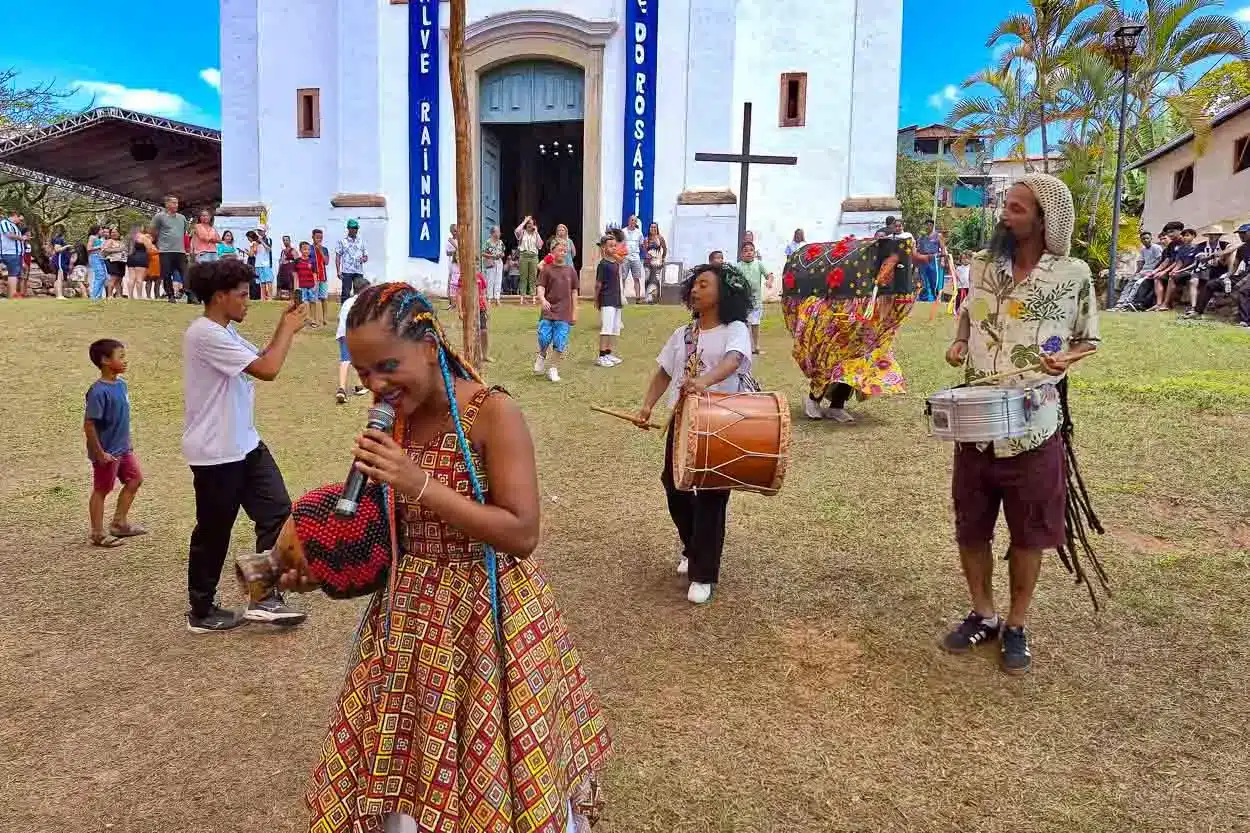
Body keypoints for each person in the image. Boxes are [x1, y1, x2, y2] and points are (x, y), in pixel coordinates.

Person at [282, 283, 611, 833]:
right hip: (410, 619)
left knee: (496, 764)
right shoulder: (394, 422)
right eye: (364, 375)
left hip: (492, 619)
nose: (377, 387)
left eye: (388, 366)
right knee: (410, 762)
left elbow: (522, 531)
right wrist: (325, 566)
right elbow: (392, 529)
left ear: (431, 347)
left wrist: (416, 482)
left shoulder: (493, 412)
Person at [941, 173, 1100, 676]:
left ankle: (1016, 624)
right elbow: (968, 313)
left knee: (1029, 534)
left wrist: (1067, 359)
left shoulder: (1072, 273)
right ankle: (983, 613)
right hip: (975, 424)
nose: (1004, 215)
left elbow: (1088, 338)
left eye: (1016, 208)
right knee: (971, 527)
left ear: (1043, 219)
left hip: (1033, 427)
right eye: (1005, 206)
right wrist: (960, 342)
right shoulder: (983, 265)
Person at [181, 258, 307, 633]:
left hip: (244, 443)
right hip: (217, 451)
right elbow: (268, 370)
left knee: (277, 511)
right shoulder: (205, 334)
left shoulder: (225, 332)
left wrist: (283, 332)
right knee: (214, 530)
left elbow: (261, 358)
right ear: (220, 297)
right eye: (241, 294)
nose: (247, 301)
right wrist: (287, 328)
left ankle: (264, 597)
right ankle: (201, 611)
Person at [636, 263, 753, 605]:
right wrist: (647, 408)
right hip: (683, 420)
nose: (696, 290)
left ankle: (703, 573)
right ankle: (693, 547)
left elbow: (733, 360)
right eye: (694, 285)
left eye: (704, 284)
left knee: (713, 497)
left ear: (723, 293)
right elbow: (663, 373)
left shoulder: (735, 329)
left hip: (723, 422)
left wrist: (704, 381)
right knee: (674, 486)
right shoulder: (683, 334)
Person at [84, 338, 146, 548]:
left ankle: (119, 523)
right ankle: (97, 533)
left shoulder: (121, 385)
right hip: (107, 452)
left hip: (123, 448)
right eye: (121, 357)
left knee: (135, 479)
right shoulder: (98, 391)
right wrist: (99, 453)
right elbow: (90, 425)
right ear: (105, 361)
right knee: (102, 489)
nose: (125, 361)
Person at [534, 241, 578, 383]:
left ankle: (553, 369)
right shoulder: (546, 269)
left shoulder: (570, 270)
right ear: (552, 252)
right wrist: (542, 300)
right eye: (560, 250)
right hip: (548, 310)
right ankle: (542, 355)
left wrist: (574, 312)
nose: (563, 253)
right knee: (544, 338)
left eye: (565, 251)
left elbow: (574, 292)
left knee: (560, 342)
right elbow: (541, 287)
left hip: (564, 312)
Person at [1195, 222, 1250, 323]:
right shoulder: (1243, 248)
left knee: (1244, 290)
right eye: (1239, 233)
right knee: (1211, 284)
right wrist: (1227, 277)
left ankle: (1245, 320)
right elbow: (1235, 265)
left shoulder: (1231, 245)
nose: (1240, 235)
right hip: (1244, 275)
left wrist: (1241, 281)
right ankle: (1197, 312)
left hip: (1247, 277)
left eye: (1243, 233)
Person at [1174, 225, 1229, 317]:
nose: (1212, 237)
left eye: (1215, 235)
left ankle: (1202, 304)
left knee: (1203, 278)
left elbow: (1233, 250)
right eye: (1210, 235)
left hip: (1219, 270)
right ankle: (1193, 306)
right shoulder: (1201, 245)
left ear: (1219, 236)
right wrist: (1210, 258)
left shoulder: (1225, 245)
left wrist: (1221, 257)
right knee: (1193, 280)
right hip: (1203, 269)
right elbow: (1200, 259)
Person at [334, 276, 371, 403]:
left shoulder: (347, 302)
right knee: (353, 360)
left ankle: (350, 387)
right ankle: (349, 387)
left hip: (343, 333)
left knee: (350, 359)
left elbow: (339, 318)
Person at [735, 240, 773, 354]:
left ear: (754, 252)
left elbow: (769, 275)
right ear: (741, 254)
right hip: (742, 301)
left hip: (756, 301)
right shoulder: (737, 266)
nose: (749, 253)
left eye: (751, 250)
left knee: (755, 324)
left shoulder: (759, 264)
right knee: (744, 325)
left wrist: (769, 282)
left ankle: (756, 346)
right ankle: (745, 347)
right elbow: (733, 280)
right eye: (745, 251)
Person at [595, 229, 626, 367]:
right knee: (606, 328)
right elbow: (598, 285)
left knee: (614, 328)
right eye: (610, 246)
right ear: (604, 248)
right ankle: (601, 356)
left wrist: (616, 253)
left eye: (615, 245)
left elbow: (622, 259)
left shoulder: (615, 263)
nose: (613, 248)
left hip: (616, 299)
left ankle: (608, 353)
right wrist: (597, 300)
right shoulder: (603, 264)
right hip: (607, 299)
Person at [1114, 230, 1166, 310]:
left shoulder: (1156, 248)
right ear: (1141, 240)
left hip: (1152, 272)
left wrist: (1152, 272)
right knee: (1130, 283)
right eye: (1143, 239)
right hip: (1144, 271)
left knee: (1137, 284)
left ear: (1151, 238)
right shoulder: (1143, 250)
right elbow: (1141, 262)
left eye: (1147, 238)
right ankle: (1121, 302)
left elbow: (1159, 261)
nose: (1145, 240)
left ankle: (1128, 303)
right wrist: (1136, 272)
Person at [151, 195, 188, 303]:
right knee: (167, 274)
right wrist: (159, 243)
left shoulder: (182, 218)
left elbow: (184, 232)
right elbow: (153, 231)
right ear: (167, 204)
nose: (176, 205)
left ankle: (190, 294)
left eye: (177, 203)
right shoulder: (159, 217)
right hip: (165, 250)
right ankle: (170, 295)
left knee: (185, 273)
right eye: (173, 203)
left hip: (180, 251)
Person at [334, 219, 368, 302]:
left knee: (360, 293)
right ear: (348, 228)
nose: (354, 230)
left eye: (356, 228)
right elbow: (338, 256)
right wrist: (338, 271)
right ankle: (344, 313)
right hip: (347, 271)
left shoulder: (361, 241)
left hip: (358, 271)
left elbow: (366, 257)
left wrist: (363, 259)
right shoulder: (342, 241)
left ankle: (357, 313)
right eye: (352, 228)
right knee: (346, 293)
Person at [515, 215, 542, 305]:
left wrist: (537, 232)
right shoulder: (523, 233)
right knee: (523, 276)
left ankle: (533, 297)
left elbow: (540, 246)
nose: (530, 225)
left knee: (533, 277)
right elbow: (517, 231)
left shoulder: (535, 234)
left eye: (531, 224)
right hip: (524, 255)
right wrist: (524, 221)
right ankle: (522, 297)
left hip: (533, 256)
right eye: (528, 224)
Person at [916, 219, 943, 302]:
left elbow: (942, 248)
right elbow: (918, 250)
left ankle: (936, 297)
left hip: (933, 259)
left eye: (930, 225)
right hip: (923, 259)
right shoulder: (921, 237)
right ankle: (924, 298)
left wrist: (942, 260)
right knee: (923, 279)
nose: (928, 226)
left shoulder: (938, 236)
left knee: (934, 280)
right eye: (926, 225)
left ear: (932, 226)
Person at [294, 241, 319, 326]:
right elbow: (295, 275)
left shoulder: (312, 261)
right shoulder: (297, 261)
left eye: (308, 249)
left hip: (311, 285)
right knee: (304, 303)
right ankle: (305, 318)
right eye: (304, 249)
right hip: (302, 285)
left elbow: (315, 274)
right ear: (300, 250)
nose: (307, 251)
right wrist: (295, 286)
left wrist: (315, 285)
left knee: (313, 302)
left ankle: (313, 320)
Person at [311, 228, 331, 327]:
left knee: (324, 298)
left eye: (321, 238)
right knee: (313, 299)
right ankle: (314, 320)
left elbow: (326, 262)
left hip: (323, 277)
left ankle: (324, 319)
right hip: (313, 277)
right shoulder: (309, 249)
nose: (319, 239)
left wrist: (320, 251)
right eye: (317, 237)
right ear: (313, 237)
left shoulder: (325, 249)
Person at [125, 227, 152, 300]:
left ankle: (130, 296)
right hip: (141, 257)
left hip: (131, 258)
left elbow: (126, 249)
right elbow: (149, 248)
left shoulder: (130, 237)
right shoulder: (143, 237)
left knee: (131, 278)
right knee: (139, 278)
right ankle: (139, 296)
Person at [622, 214, 644, 302]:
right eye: (631, 220)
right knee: (623, 277)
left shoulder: (639, 232)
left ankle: (638, 297)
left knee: (636, 278)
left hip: (635, 257)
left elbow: (641, 244)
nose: (633, 222)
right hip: (625, 257)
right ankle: (622, 296)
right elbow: (620, 244)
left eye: (634, 221)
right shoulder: (623, 231)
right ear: (628, 221)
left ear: (636, 222)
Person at [643, 221, 667, 304]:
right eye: (651, 227)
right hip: (648, 262)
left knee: (656, 280)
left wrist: (662, 258)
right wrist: (647, 255)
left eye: (654, 227)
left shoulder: (660, 238)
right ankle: (647, 298)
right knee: (647, 279)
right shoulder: (646, 239)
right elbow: (644, 250)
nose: (653, 229)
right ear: (649, 229)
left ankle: (655, 299)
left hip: (657, 262)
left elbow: (665, 249)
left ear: (657, 228)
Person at [481, 225, 505, 305]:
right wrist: (492, 256)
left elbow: (503, 252)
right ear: (492, 233)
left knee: (498, 280)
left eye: (499, 232)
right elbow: (483, 253)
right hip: (491, 262)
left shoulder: (500, 242)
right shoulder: (488, 242)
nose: (498, 234)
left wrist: (501, 255)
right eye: (497, 232)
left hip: (499, 262)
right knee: (490, 280)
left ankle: (497, 298)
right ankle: (489, 298)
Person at [86, 225, 109, 299]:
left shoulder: (99, 238)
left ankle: (99, 295)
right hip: (94, 257)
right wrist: (99, 247)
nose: (102, 231)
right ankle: (94, 296)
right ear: (97, 230)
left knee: (104, 276)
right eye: (101, 230)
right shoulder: (92, 237)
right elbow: (88, 248)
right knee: (100, 276)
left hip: (100, 258)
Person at [50, 224, 72, 299]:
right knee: (60, 277)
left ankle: (59, 294)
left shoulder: (59, 239)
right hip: (60, 259)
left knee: (59, 278)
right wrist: (67, 246)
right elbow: (57, 249)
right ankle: (59, 295)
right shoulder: (59, 239)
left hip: (63, 259)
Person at [103, 228, 127, 296]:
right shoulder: (109, 241)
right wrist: (118, 250)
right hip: (112, 261)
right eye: (112, 232)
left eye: (116, 232)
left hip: (121, 261)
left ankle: (119, 295)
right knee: (113, 278)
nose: (114, 234)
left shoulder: (121, 242)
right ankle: (109, 295)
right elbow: (104, 250)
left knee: (119, 279)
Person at [446, 223, 460, 312]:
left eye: (457, 230)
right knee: (452, 282)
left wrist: (456, 247)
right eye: (454, 231)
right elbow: (448, 253)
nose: (456, 232)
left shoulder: (460, 240)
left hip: (461, 263)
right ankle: (452, 303)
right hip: (453, 263)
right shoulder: (449, 241)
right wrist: (456, 250)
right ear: (451, 232)